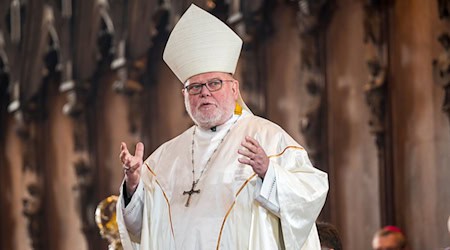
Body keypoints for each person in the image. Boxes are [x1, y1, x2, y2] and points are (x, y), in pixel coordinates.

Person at [116, 4, 329, 250]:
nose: (204, 92)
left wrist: (270, 172)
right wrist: (132, 186)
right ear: (184, 95)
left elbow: (311, 193)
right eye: (194, 87)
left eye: (214, 83)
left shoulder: (268, 138)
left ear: (234, 89)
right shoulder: (165, 158)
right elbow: (140, 229)